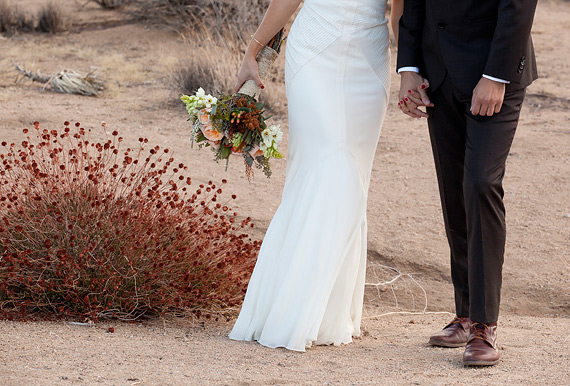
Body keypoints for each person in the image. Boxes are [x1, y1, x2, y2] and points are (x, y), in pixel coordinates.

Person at [229, 0, 403, 352]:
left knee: (351, 170)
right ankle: (291, 308)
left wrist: (416, 68)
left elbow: (399, 13)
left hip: (369, 57)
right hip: (314, 49)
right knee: (323, 162)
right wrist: (254, 50)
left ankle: (327, 312)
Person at [397, 0, 538, 366]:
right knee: (454, 190)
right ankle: (465, 313)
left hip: (495, 74)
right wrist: (408, 67)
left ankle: (484, 325)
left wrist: (496, 75)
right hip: (438, 72)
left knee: (480, 183)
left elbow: (518, 6)